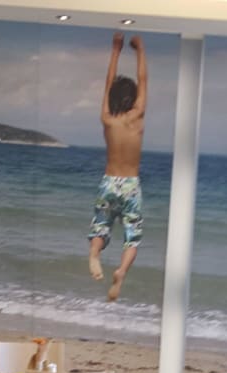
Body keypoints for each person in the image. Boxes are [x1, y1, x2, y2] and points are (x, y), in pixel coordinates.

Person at [88, 33, 147, 302]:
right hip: (131, 185)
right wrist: (140, 49)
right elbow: (144, 80)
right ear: (133, 98)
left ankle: (94, 254)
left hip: (109, 182)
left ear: (112, 97)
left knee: (101, 226)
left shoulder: (107, 119)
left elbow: (107, 83)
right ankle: (121, 271)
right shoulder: (138, 116)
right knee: (132, 238)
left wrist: (115, 49)